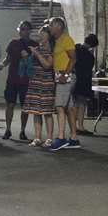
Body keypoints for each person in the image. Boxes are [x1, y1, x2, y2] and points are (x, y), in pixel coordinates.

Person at [45, 17, 79, 151]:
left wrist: (65, 75)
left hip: (66, 75)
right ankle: (74, 138)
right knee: (69, 108)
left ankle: (60, 138)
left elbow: (73, 58)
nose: (49, 28)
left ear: (59, 26)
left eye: (51, 25)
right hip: (60, 75)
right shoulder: (56, 41)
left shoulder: (66, 39)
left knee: (59, 106)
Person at [22, 25, 57, 147]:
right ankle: (37, 137)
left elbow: (48, 65)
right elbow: (30, 66)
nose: (40, 36)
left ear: (49, 35)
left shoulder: (52, 49)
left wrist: (36, 54)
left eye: (43, 33)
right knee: (36, 112)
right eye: (39, 34)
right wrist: (26, 58)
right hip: (35, 82)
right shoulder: (37, 48)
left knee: (47, 112)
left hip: (46, 83)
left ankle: (49, 138)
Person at [2, 20, 35, 142]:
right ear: (19, 30)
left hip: (26, 80)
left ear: (30, 31)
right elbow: (8, 58)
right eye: (21, 29)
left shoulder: (34, 45)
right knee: (9, 104)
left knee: (24, 107)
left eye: (26, 29)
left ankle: (22, 130)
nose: (24, 31)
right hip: (12, 78)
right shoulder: (13, 43)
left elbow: (35, 62)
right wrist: (2, 64)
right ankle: (8, 129)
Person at [71, 33, 97, 137]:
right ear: (92, 45)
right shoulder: (89, 56)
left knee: (74, 105)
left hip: (74, 80)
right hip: (84, 82)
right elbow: (89, 68)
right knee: (81, 105)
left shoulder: (76, 49)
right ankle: (80, 126)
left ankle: (73, 127)